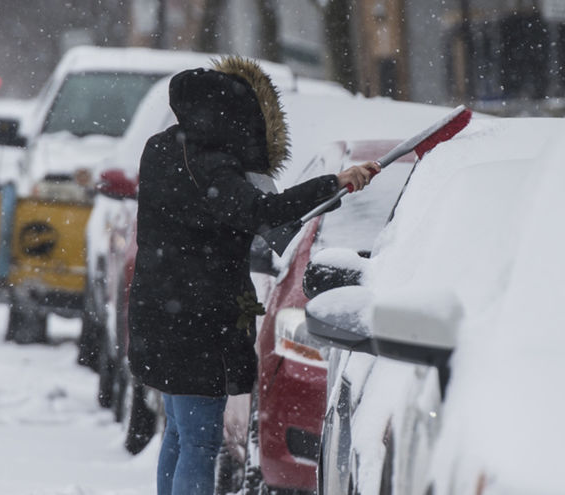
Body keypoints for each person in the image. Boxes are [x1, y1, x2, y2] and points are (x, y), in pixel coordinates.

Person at [127, 56, 379, 495]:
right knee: (200, 440)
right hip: (197, 323)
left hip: (160, 313)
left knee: (178, 433)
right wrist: (334, 184)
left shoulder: (161, 147)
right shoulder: (208, 164)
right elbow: (259, 211)